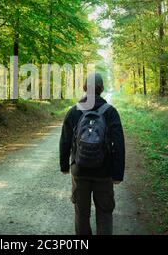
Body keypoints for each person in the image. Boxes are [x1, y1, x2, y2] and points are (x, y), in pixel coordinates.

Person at [59, 72, 125, 235]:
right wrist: (118, 174)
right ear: (101, 89)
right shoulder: (110, 112)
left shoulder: (74, 111)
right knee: (104, 212)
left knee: (82, 214)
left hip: (79, 170)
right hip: (104, 171)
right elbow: (119, 144)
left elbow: (65, 140)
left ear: (84, 88)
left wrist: (64, 166)